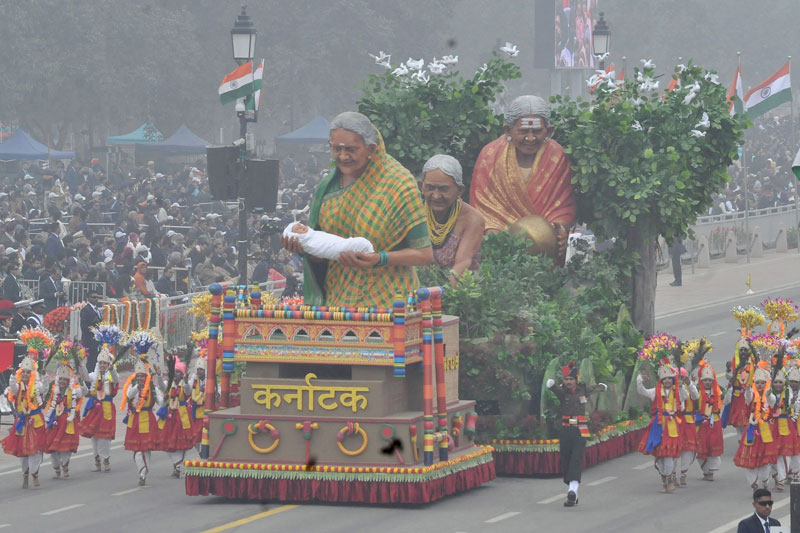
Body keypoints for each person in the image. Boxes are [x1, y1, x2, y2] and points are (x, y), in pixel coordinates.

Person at [283, 111, 433, 307]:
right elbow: (325, 251)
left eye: (351, 150)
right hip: (339, 306)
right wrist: (305, 249)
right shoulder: (327, 188)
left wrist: (380, 258)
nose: (343, 156)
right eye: (337, 149)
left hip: (390, 304)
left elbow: (424, 254)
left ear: (371, 148)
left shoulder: (399, 184)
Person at [470, 95, 576, 265]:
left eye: (537, 131)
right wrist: (495, 236)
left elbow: (564, 205)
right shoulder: (489, 156)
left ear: (549, 131)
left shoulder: (559, 157)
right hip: (500, 249)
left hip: (545, 250)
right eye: (523, 131)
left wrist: (560, 229)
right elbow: (482, 206)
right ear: (507, 131)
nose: (530, 138)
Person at [545, 360, 607, 507]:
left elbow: (593, 388)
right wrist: (552, 385)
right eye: (566, 379)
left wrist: (602, 387)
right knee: (566, 459)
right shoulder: (563, 392)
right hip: (566, 429)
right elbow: (555, 390)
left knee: (576, 459)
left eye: (571, 379)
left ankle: (572, 490)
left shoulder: (583, 390)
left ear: (576, 379)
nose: (568, 382)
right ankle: (573, 492)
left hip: (580, 429)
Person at [420, 155, 484, 286]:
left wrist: (442, 295)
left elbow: (462, 263)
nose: (436, 196)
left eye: (444, 189)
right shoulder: (414, 213)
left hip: (458, 288)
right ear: (421, 187)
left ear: (460, 190)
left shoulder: (472, 219)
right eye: (430, 188)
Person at [637, 361, 686, 493]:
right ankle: (665, 480)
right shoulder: (655, 392)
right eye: (665, 379)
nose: (667, 381)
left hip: (672, 427)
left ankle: (669, 480)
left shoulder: (677, 391)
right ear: (661, 381)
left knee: (669, 455)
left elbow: (683, 404)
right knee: (659, 457)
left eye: (670, 378)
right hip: (658, 427)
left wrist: (681, 387)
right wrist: (640, 380)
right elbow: (642, 391)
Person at [1, 356, 46, 488]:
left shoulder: (37, 387)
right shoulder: (18, 386)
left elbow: (45, 389)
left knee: (36, 450)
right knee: (23, 451)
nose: (25, 374)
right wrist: (12, 375)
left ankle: (35, 474)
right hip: (22, 422)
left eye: (28, 372)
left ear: (32, 374)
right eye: (23, 372)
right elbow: (12, 388)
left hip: (36, 421)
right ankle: (25, 475)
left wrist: (44, 378)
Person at [733, 363, 777, 489]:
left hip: (766, 430)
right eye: (757, 383)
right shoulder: (751, 395)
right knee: (749, 456)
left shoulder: (769, 396)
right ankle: (754, 483)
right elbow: (748, 397)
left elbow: (772, 402)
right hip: (752, 430)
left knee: (766, 459)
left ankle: (764, 480)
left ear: (766, 383)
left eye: (762, 382)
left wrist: (768, 393)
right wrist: (747, 388)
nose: (760, 385)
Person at [79, 346, 119, 473]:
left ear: (108, 364)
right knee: (94, 436)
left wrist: (112, 370)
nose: (102, 365)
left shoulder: (111, 376)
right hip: (94, 408)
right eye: (100, 363)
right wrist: (82, 365)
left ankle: (106, 459)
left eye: (105, 363)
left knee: (104, 437)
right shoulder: (94, 375)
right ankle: (97, 461)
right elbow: (86, 377)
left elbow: (116, 379)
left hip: (106, 408)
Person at [44, 364, 87, 479]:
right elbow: (46, 400)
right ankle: (56, 467)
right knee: (52, 447)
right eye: (61, 379)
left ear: (68, 381)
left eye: (65, 379)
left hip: (68, 422)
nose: (62, 381)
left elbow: (84, 391)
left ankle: (65, 466)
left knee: (66, 448)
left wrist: (82, 378)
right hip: (55, 421)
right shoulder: (54, 391)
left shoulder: (74, 391)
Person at [123, 360, 162, 486]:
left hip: (147, 419)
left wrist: (160, 377)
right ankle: (142, 470)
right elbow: (128, 395)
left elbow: (161, 402)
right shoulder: (133, 387)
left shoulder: (153, 389)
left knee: (146, 449)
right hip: (134, 420)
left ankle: (143, 473)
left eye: (142, 376)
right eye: (138, 376)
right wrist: (137, 387)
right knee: (137, 449)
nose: (140, 378)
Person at [157, 360, 195, 477]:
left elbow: (188, 391)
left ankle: (177, 466)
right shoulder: (168, 383)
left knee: (181, 442)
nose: (176, 374)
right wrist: (159, 375)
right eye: (175, 372)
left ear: (182, 374)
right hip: (169, 415)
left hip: (182, 415)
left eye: (178, 372)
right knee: (167, 441)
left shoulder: (185, 384)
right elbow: (161, 387)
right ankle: (176, 464)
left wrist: (186, 381)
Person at [694, 361, 724, 481]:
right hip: (701, 423)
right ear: (701, 381)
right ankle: (705, 471)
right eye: (705, 380)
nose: (707, 382)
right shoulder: (697, 392)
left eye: (710, 380)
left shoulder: (719, 392)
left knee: (713, 447)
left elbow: (726, 401)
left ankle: (711, 471)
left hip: (714, 423)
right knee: (700, 448)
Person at [769, 367, 798, 492]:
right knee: (771, 453)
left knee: (784, 454)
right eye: (776, 382)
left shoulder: (788, 392)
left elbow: (792, 406)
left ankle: (782, 479)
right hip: (771, 425)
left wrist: (791, 403)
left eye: (780, 382)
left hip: (785, 425)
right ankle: (777, 476)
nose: (778, 384)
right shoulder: (769, 393)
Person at [282, 222, 374, 260]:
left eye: (301, 225)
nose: (302, 227)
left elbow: (329, 238)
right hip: (338, 256)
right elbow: (321, 248)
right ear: (295, 236)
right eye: (298, 229)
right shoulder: (307, 243)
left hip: (341, 242)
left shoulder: (315, 233)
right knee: (357, 244)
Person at [676, 367, 699, 486]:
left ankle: (683, 474)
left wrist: (689, 384)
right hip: (676, 422)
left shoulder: (690, 388)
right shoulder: (671, 390)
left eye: (682, 378)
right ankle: (672, 474)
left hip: (689, 422)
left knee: (688, 450)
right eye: (678, 378)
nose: (680, 380)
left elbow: (696, 396)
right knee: (673, 449)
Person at [80, 290, 104, 370]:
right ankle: (88, 379)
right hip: (89, 340)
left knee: (95, 360)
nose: (96, 299)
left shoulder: (96, 309)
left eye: (97, 297)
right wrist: (94, 330)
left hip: (97, 340)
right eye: (94, 297)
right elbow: (84, 326)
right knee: (91, 362)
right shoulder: (85, 310)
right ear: (88, 298)